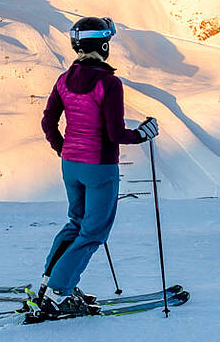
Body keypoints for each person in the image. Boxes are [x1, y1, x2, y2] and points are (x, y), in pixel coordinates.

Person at [32, 16, 158, 319]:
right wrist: (143, 133)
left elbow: (49, 122)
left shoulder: (63, 79)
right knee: (93, 232)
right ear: (104, 45)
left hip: (71, 164)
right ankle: (59, 293)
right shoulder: (109, 83)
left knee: (76, 223)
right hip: (99, 166)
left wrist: (64, 150)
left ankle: (50, 282)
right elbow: (115, 133)